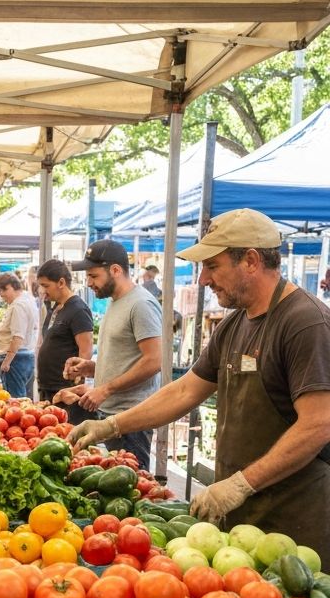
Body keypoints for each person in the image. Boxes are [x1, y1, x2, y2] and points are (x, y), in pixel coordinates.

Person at [72, 209, 330, 562]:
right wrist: (112, 425)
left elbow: (318, 423)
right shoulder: (233, 325)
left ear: (251, 261)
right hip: (244, 513)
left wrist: (241, 483)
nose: (204, 279)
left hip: (294, 518)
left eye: (212, 266)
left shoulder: (305, 323)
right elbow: (184, 391)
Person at [55, 239, 162, 470]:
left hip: (131, 419)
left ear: (115, 270)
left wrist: (106, 389)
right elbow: (128, 359)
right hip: (111, 415)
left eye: (93, 276)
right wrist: (92, 367)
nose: (89, 283)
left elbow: (154, 361)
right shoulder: (116, 302)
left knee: (130, 481)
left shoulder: (141, 304)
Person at [36, 259, 95, 423]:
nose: (43, 291)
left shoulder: (78, 309)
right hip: (49, 387)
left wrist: (75, 385)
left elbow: (86, 350)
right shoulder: (55, 307)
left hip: (65, 390)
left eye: (46, 285)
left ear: (61, 283)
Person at [0, 271, 39, 397]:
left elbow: (18, 336)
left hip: (15, 360)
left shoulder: (18, 306)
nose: (1, 294)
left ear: (13, 286)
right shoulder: (28, 299)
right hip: (26, 356)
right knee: (24, 399)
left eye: (3, 289)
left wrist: (7, 362)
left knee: (14, 400)